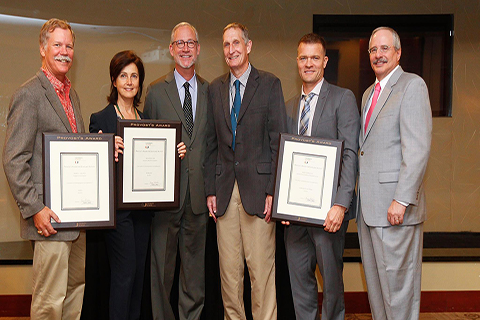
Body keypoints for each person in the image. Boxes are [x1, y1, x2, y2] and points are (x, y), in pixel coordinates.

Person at [3, 18, 85, 320]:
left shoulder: (70, 95)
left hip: (77, 220)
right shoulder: (29, 94)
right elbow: (13, 158)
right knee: (49, 303)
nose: (65, 52)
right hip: (49, 220)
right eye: (58, 45)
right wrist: (35, 208)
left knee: (74, 294)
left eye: (69, 46)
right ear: (43, 48)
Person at [204, 22, 287, 320]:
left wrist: (272, 192)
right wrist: (210, 190)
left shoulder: (269, 84)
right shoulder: (215, 88)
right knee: (229, 276)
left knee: (261, 274)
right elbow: (210, 142)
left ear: (248, 46)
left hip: (258, 193)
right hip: (225, 193)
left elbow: (278, 142)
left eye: (236, 43)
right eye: (226, 45)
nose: (231, 50)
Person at [357, 26, 432, 320]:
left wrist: (401, 200)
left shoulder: (412, 86)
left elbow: (418, 149)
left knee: (399, 295)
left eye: (385, 48)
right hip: (370, 211)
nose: (378, 55)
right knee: (378, 292)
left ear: (398, 52)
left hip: (395, 211)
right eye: (373, 50)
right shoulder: (368, 94)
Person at [283, 33, 360, 320]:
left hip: (329, 214)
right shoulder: (289, 105)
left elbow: (350, 154)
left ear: (325, 61)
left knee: (331, 285)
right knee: (299, 284)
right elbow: (283, 159)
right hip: (295, 217)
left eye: (315, 58)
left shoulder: (342, 98)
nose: (309, 63)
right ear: (297, 62)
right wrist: (283, 204)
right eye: (303, 58)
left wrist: (341, 205)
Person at [143, 22, 208, 320]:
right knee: (162, 273)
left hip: (198, 199)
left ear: (198, 49)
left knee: (194, 274)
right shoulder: (156, 92)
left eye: (190, 43)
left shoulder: (212, 91)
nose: (185, 48)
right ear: (170, 50)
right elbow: (146, 145)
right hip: (165, 199)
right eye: (179, 43)